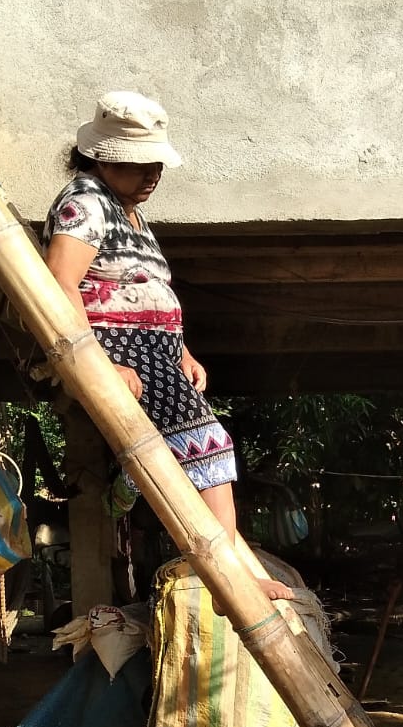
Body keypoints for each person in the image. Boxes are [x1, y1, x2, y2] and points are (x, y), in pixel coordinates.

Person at [43, 91, 292, 600]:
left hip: (156, 352)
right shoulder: (84, 204)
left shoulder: (129, 212)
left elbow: (150, 288)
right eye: (140, 164)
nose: (153, 174)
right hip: (120, 348)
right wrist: (101, 362)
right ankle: (228, 574)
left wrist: (182, 352)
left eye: (155, 164)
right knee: (209, 443)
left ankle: (139, 495)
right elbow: (61, 284)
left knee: (193, 447)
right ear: (103, 158)